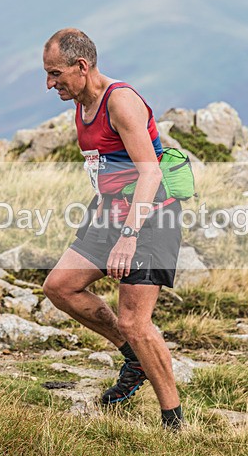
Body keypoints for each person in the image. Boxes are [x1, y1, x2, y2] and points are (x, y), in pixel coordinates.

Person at [41, 29, 184, 431]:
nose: (50, 84)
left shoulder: (120, 102)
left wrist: (129, 236)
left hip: (151, 217)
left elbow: (150, 171)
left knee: (135, 322)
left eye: (56, 74)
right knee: (59, 287)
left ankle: (173, 422)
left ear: (81, 67)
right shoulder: (81, 102)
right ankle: (133, 359)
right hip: (108, 212)